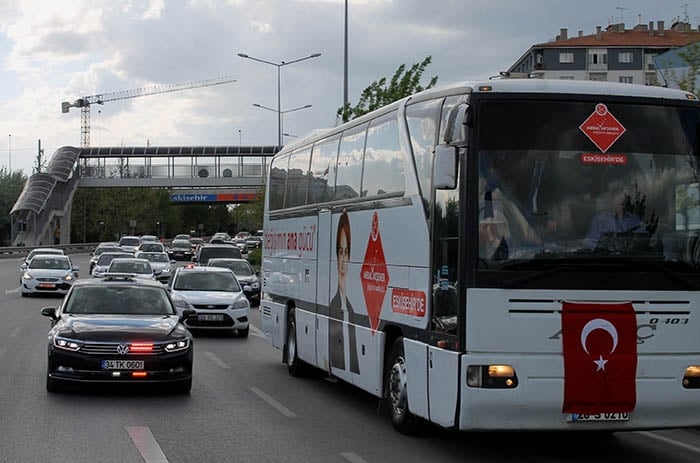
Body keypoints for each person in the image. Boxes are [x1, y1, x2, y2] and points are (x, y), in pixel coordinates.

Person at [328, 210, 359, 374]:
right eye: (340, 251)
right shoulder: (333, 305)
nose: (343, 261)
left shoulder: (352, 309)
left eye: (346, 253)